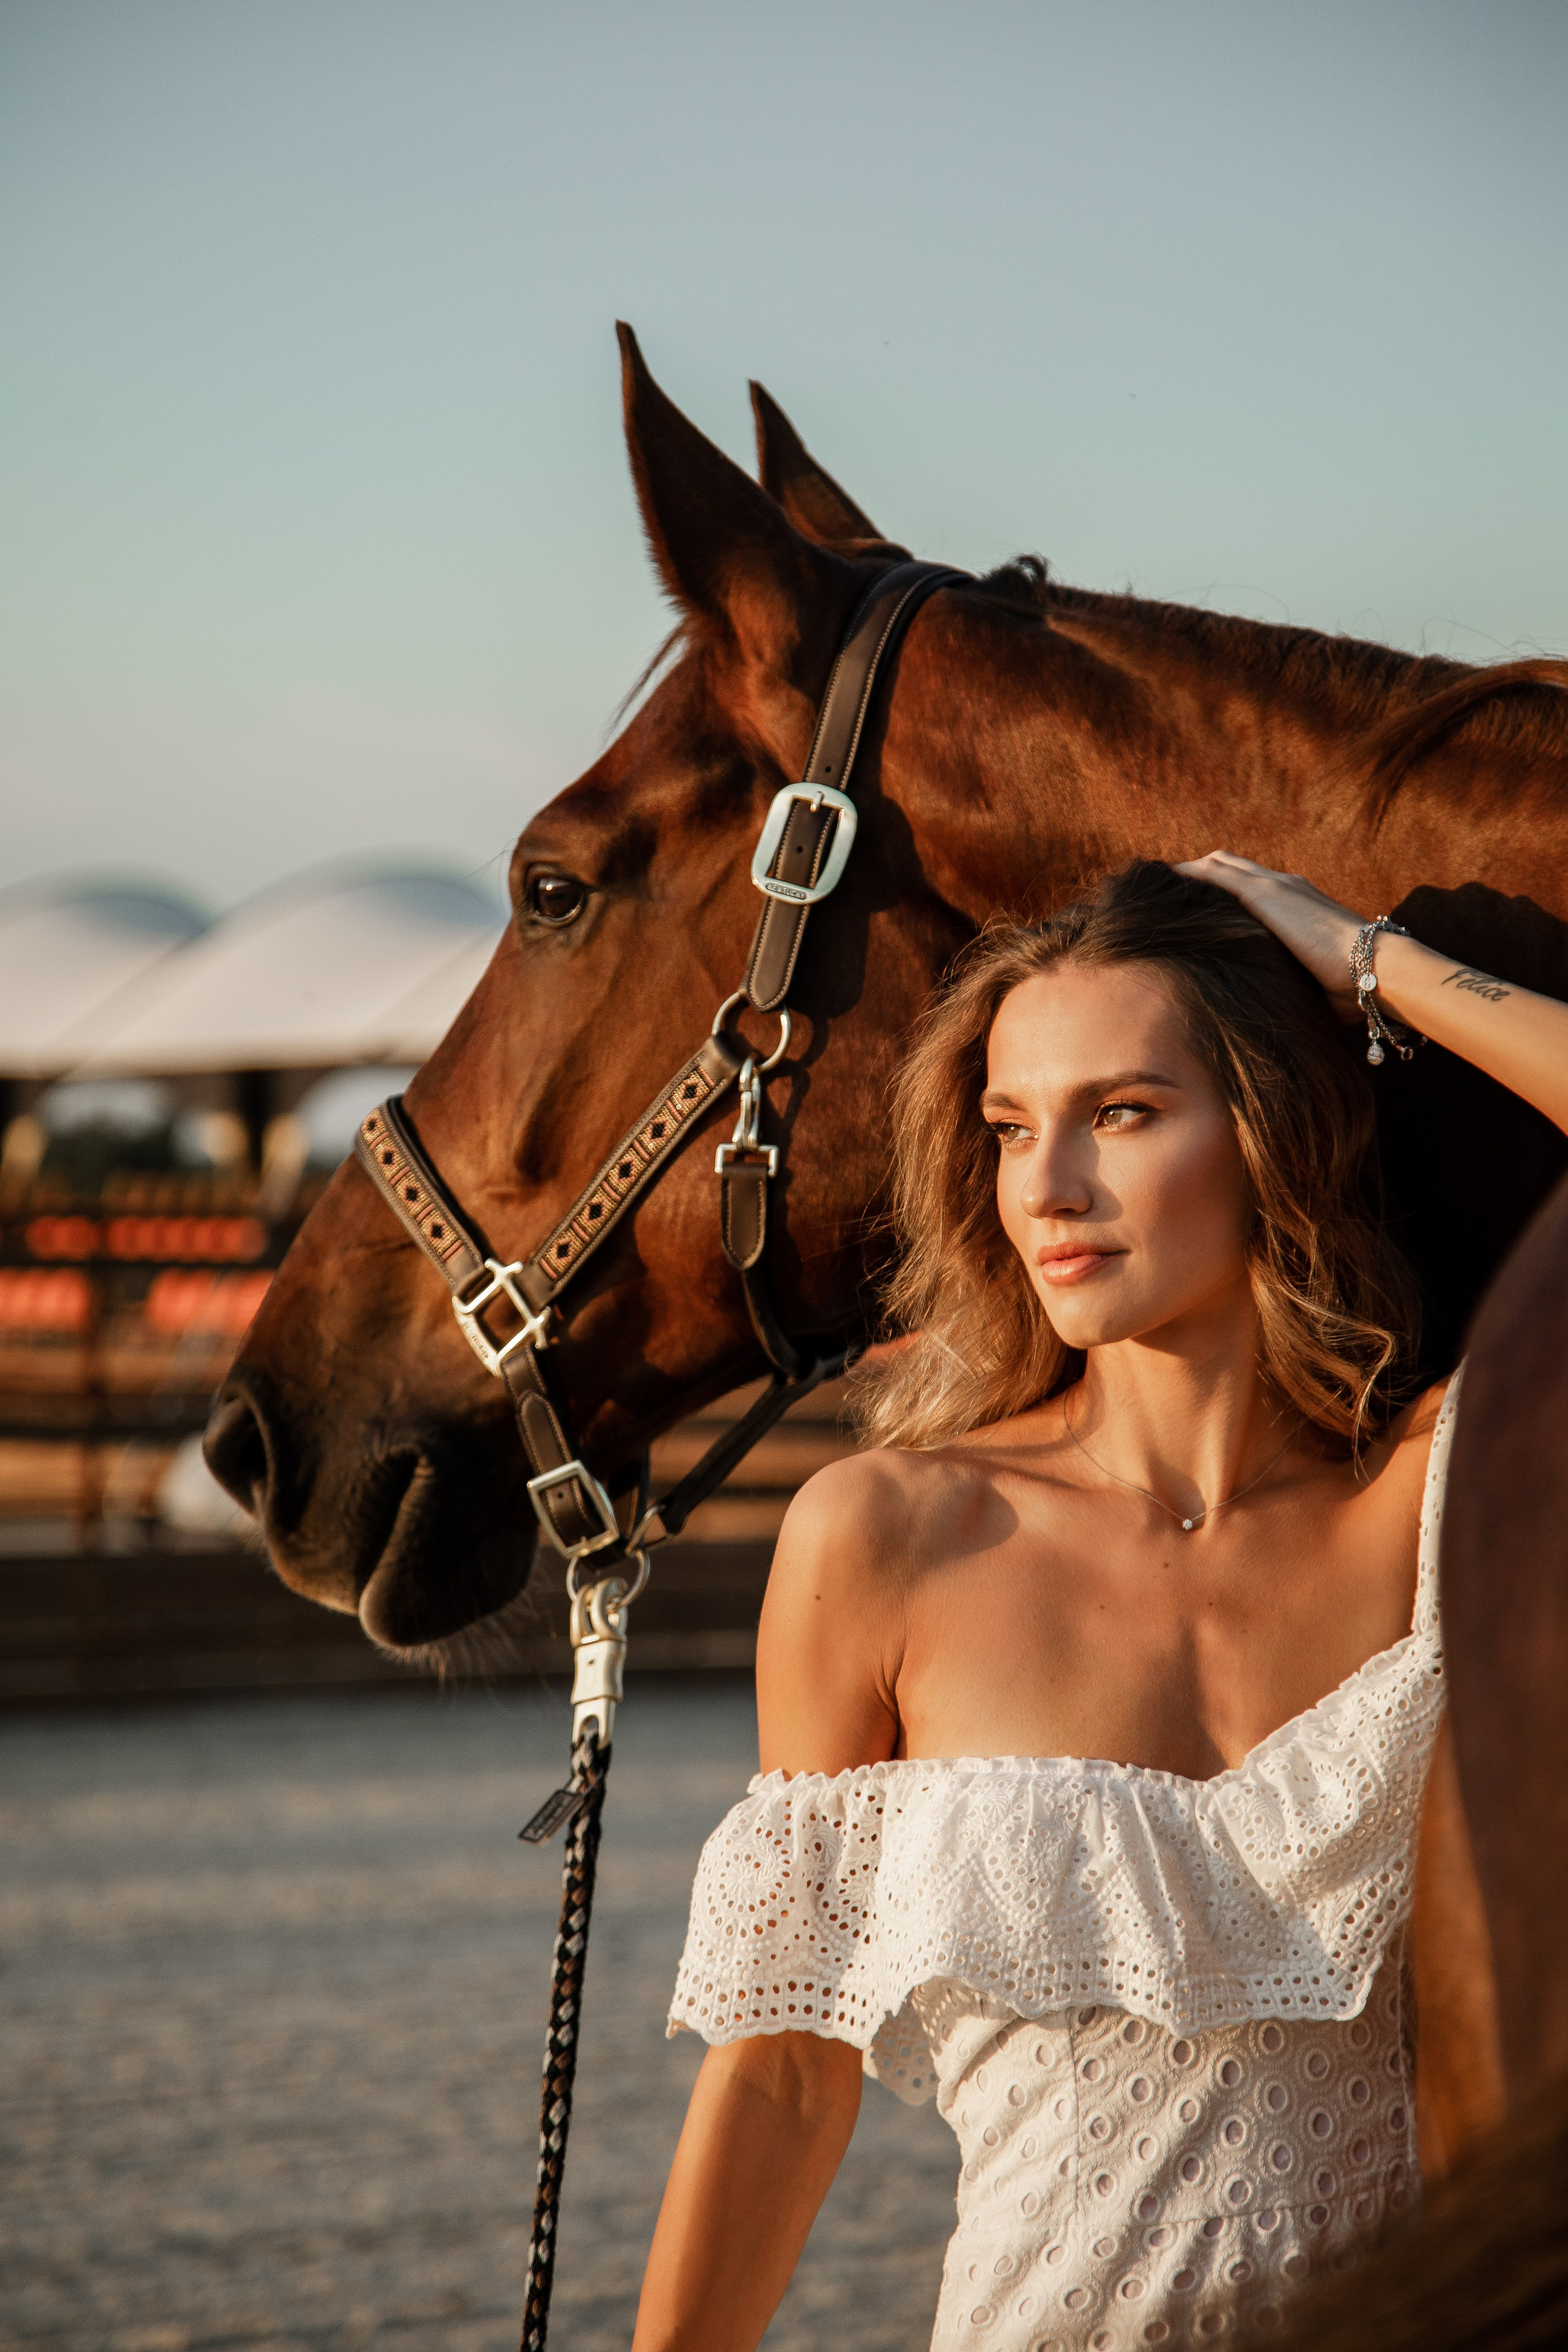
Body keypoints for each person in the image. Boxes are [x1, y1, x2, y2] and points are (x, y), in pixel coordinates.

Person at [632, 854, 1568, 2352]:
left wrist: (1367, 965)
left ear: (1267, 1133)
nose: (1046, 1187)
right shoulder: (887, 1537)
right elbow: (781, 2075)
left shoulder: (1436, 1496)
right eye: (1010, 1129)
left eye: (1119, 1115)